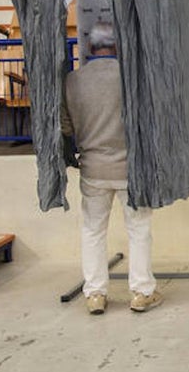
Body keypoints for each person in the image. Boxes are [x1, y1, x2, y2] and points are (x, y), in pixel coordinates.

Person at [61, 22, 161, 315]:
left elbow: (66, 127)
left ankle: (95, 295)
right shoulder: (131, 80)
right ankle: (142, 293)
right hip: (130, 169)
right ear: (118, 46)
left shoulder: (72, 81)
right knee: (139, 229)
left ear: (90, 47)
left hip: (93, 169)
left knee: (93, 231)